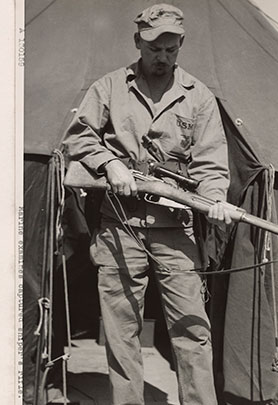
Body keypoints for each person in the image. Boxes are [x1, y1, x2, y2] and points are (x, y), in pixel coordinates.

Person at [63, 4, 231, 405]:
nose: (163, 57)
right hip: (119, 228)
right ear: (138, 42)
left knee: (192, 330)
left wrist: (217, 201)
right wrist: (110, 163)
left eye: (171, 49)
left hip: (176, 230)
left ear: (181, 45)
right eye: (155, 48)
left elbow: (210, 163)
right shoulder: (109, 87)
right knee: (122, 332)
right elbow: (77, 137)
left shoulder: (199, 96)